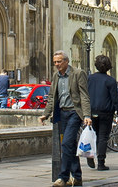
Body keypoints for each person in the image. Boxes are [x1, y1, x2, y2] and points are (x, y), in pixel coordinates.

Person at [41, 50, 91, 187]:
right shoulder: (56, 76)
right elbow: (52, 97)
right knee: (71, 145)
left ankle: (62, 177)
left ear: (66, 61)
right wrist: (46, 114)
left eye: (59, 61)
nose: (57, 64)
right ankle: (77, 177)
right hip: (62, 113)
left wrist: (87, 115)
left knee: (66, 144)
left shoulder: (78, 73)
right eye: (55, 62)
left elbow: (84, 95)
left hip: (74, 113)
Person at [86, 54, 118, 171]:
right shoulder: (110, 80)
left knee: (92, 136)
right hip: (106, 113)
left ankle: (90, 155)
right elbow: (115, 99)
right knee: (102, 137)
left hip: (91, 111)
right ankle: (101, 163)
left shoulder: (90, 78)